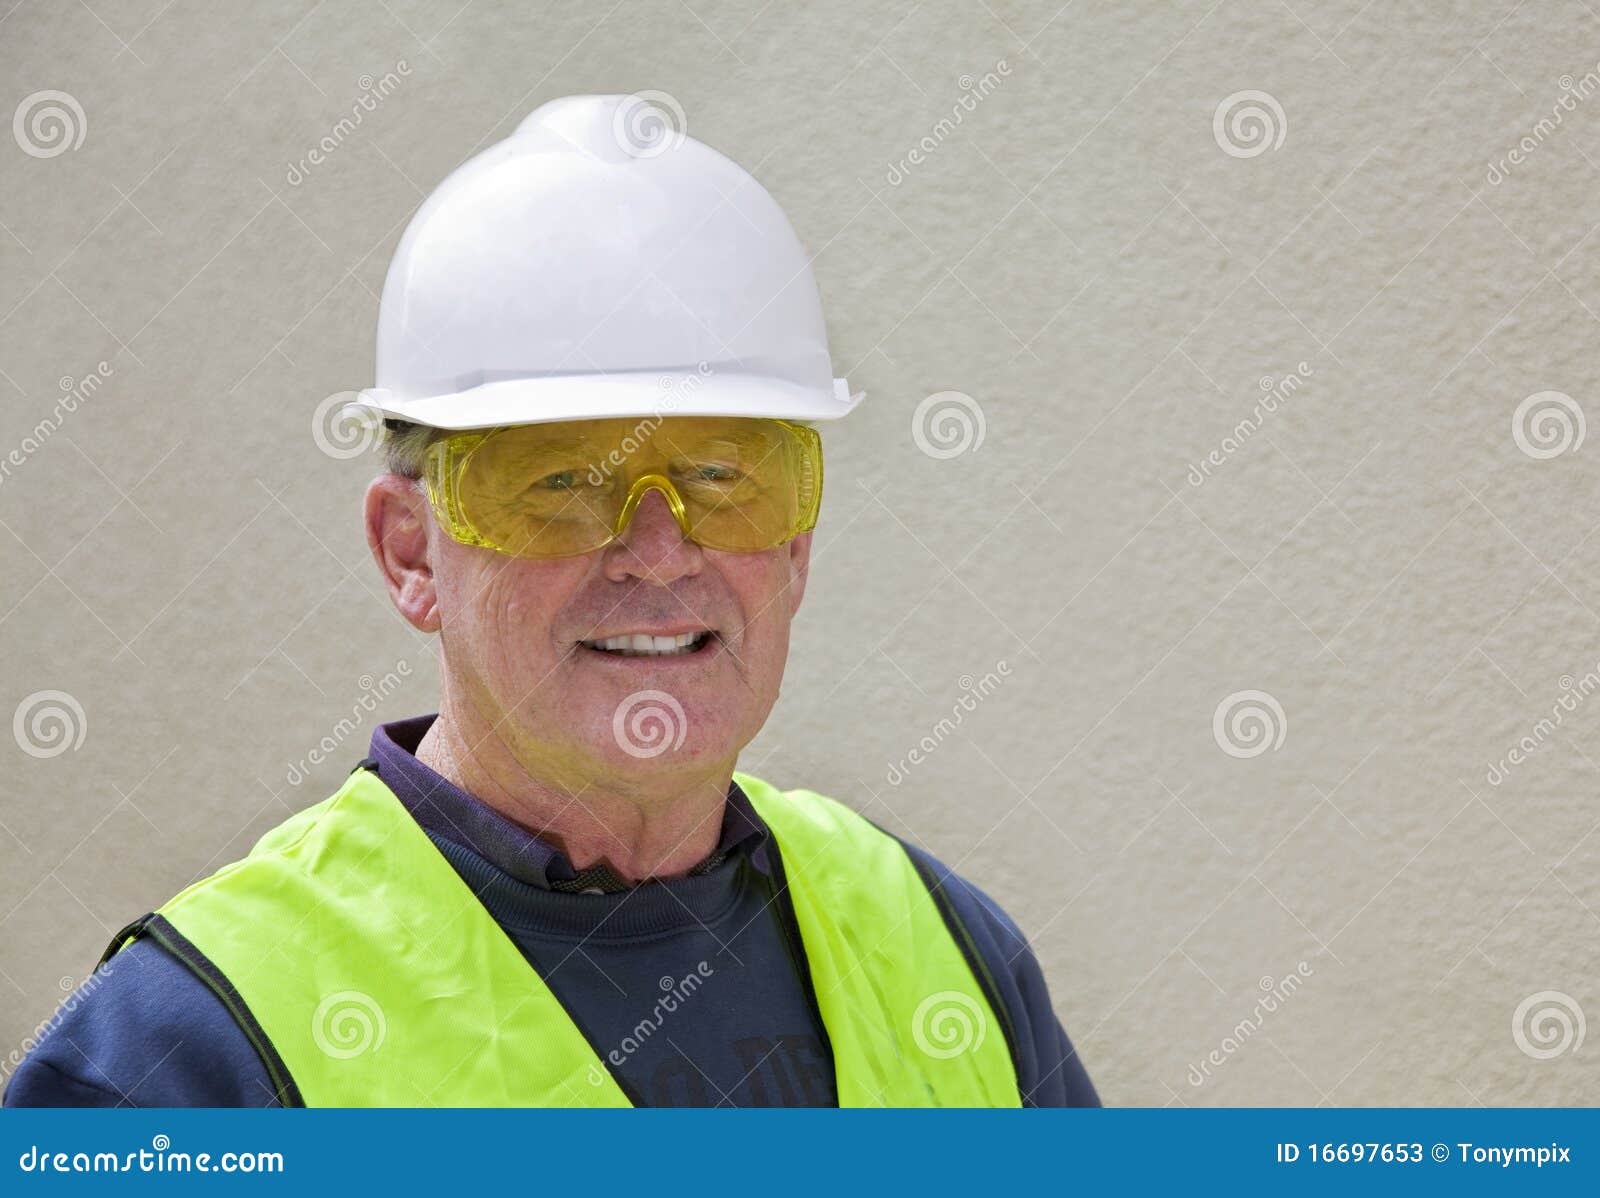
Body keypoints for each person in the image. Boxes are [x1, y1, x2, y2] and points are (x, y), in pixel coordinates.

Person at [5, 94, 1098, 1108]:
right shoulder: (180, 1057)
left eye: (726, 477)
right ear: (409, 552)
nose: (657, 553)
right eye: (562, 483)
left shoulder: (938, 950)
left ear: (796, 544)